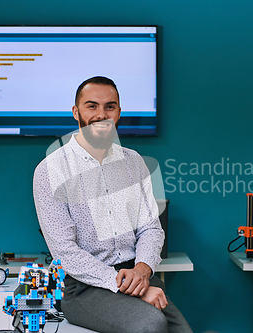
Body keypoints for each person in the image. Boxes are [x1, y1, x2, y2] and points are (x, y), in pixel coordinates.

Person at [33, 76, 192, 333]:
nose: (101, 114)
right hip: (84, 288)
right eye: (92, 106)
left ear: (118, 112)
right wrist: (124, 285)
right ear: (76, 112)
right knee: (150, 324)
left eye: (110, 106)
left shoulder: (134, 162)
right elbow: (65, 253)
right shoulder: (51, 170)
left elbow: (151, 228)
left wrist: (141, 271)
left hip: (135, 276)